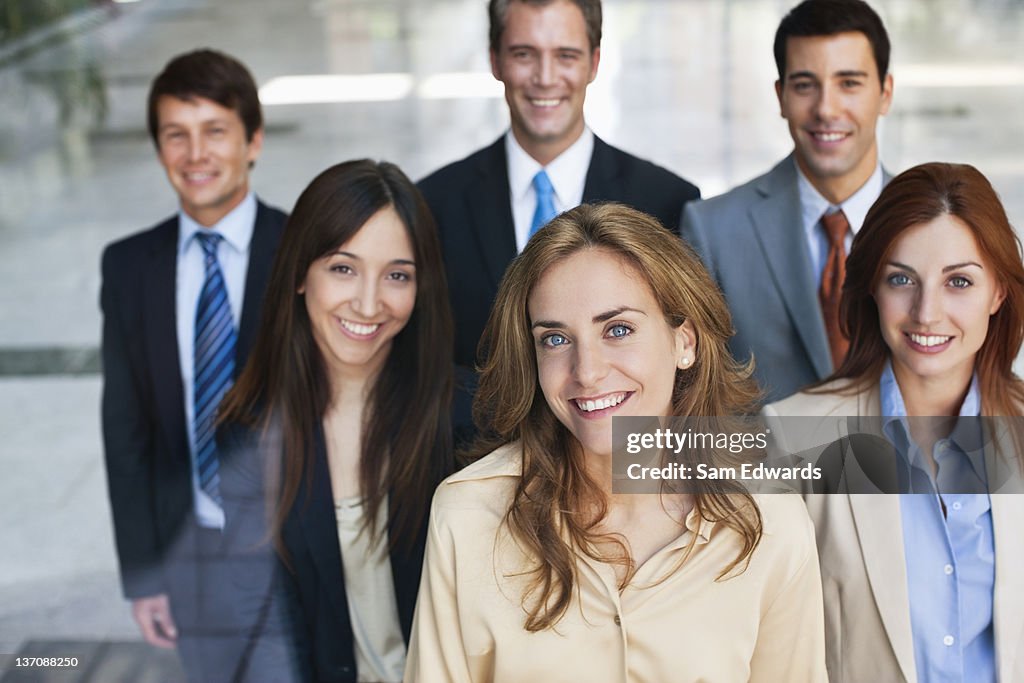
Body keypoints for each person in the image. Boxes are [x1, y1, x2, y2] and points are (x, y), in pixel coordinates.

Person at [405, 203, 826, 682]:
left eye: (618, 330)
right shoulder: (467, 515)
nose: (586, 372)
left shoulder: (772, 522)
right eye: (555, 339)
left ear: (684, 343)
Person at [764, 162, 1024, 682]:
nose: (927, 313)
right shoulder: (795, 435)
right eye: (902, 279)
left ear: (997, 293)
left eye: (959, 282)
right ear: (872, 290)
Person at [219, 159, 469, 683]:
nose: (369, 302)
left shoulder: (470, 414)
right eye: (343, 268)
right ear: (298, 276)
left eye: (397, 275)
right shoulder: (249, 429)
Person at [99, 48, 286, 681]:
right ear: (158, 149)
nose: (195, 154)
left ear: (253, 140)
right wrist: (143, 574)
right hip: (190, 545)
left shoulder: (302, 254)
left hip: (288, 538)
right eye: (176, 135)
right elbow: (125, 433)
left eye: (215, 131)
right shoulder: (129, 268)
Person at [419, 0, 700, 368]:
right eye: (524, 54)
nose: (546, 77)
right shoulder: (433, 203)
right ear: (495, 61)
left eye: (566, 55)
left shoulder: (668, 203)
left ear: (594, 63)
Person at [682, 0, 894, 402]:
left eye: (849, 83)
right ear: (780, 97)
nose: (826, 109)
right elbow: (696, 403)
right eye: (804, 85)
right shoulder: (712, 230)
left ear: (885, 93)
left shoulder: (936, 224)